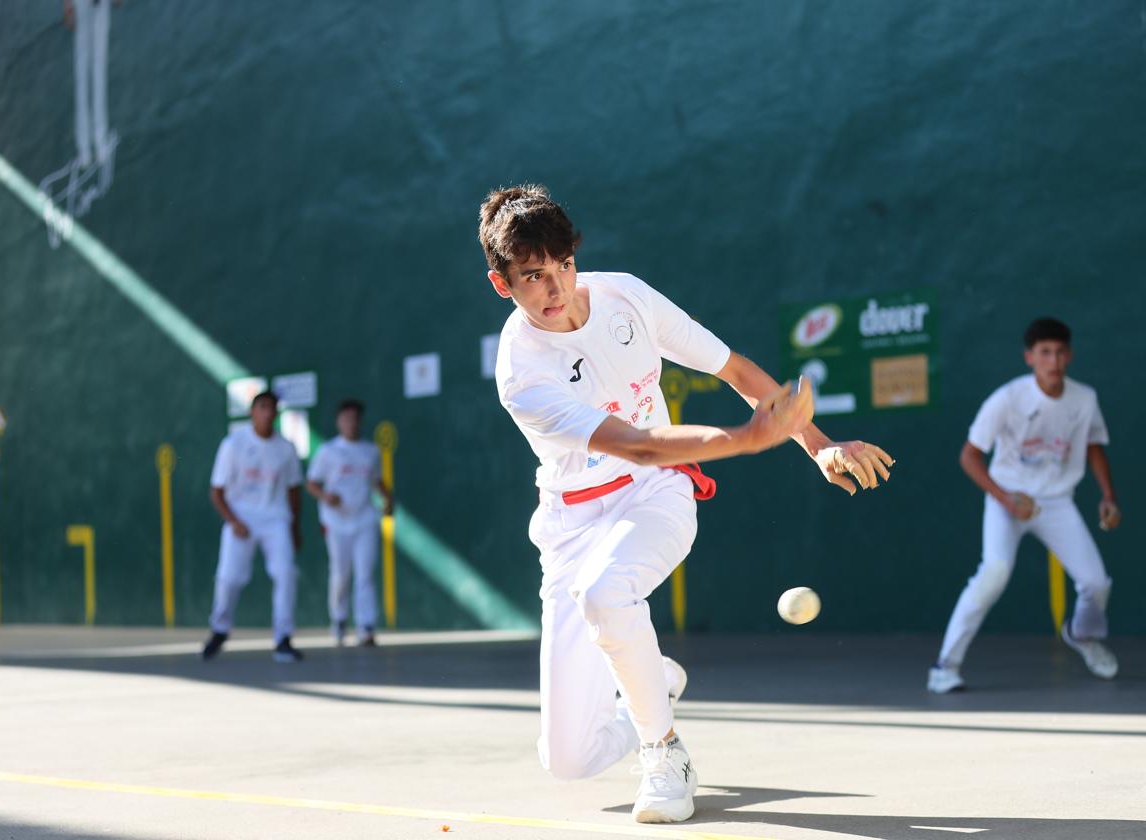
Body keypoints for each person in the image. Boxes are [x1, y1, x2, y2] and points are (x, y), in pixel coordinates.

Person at [478, 184, 894, 824]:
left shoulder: (625, 297)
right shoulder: (522, 373)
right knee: (568, 760)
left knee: (607, 595)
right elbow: (639, 443)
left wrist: (817, 444)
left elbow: (733, 370)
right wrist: (746, 439)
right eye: (534, 275)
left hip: (656, 495)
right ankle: (655, 681)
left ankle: (664, 751)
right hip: (571, 524)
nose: (556, 287)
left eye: (563, 265)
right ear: (503, 284)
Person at [928, 317, 1120, 693]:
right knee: (994, 571)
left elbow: (1093, 446)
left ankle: (1082, 635)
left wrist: (1108, 496)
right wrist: (1005, 498)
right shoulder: (1006, 399)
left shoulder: (1085, 399)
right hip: (1007, 498)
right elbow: (969, 456)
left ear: (1070, 356)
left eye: (1060, 352)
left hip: (1057, 502)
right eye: (1045, 352)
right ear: (1029, 358)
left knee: (1096, 583)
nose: (1054, 360)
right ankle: (944, 666)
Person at [202, 391, 305, 663]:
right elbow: (216, 492)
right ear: (252, 412)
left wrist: (294, 528)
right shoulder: (233, 444)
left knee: (285, 573)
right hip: (240, 517)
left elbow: (294, 491)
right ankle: (219, 629)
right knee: (229, 578)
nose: (267, 413)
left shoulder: (286, 448)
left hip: (276, 518)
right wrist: (234, 521)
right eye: (262, 407)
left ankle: (283, 638)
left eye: (272, 408)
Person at [306, 399, 394, 647]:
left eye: (355, 419)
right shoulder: (328, 451)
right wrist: (325, 497)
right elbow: (311, 482)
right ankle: (339, 619)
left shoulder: (370, 451)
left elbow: (376, 480)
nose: (351, 423)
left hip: (365, 518)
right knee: (340, 574)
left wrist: (388, 499)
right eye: (346, 419)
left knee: (365, 574)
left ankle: (366, 627)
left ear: (360, 421)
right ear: (339, 422)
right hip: (336, 522)